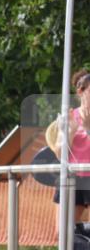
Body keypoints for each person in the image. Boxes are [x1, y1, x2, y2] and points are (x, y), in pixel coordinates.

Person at [49, 69, 90, 222]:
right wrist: (70, 133)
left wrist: (87, 129)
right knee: (63, 232)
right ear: (81, 92)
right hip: (73, 178)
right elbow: (60, 153)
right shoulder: (70, 116)